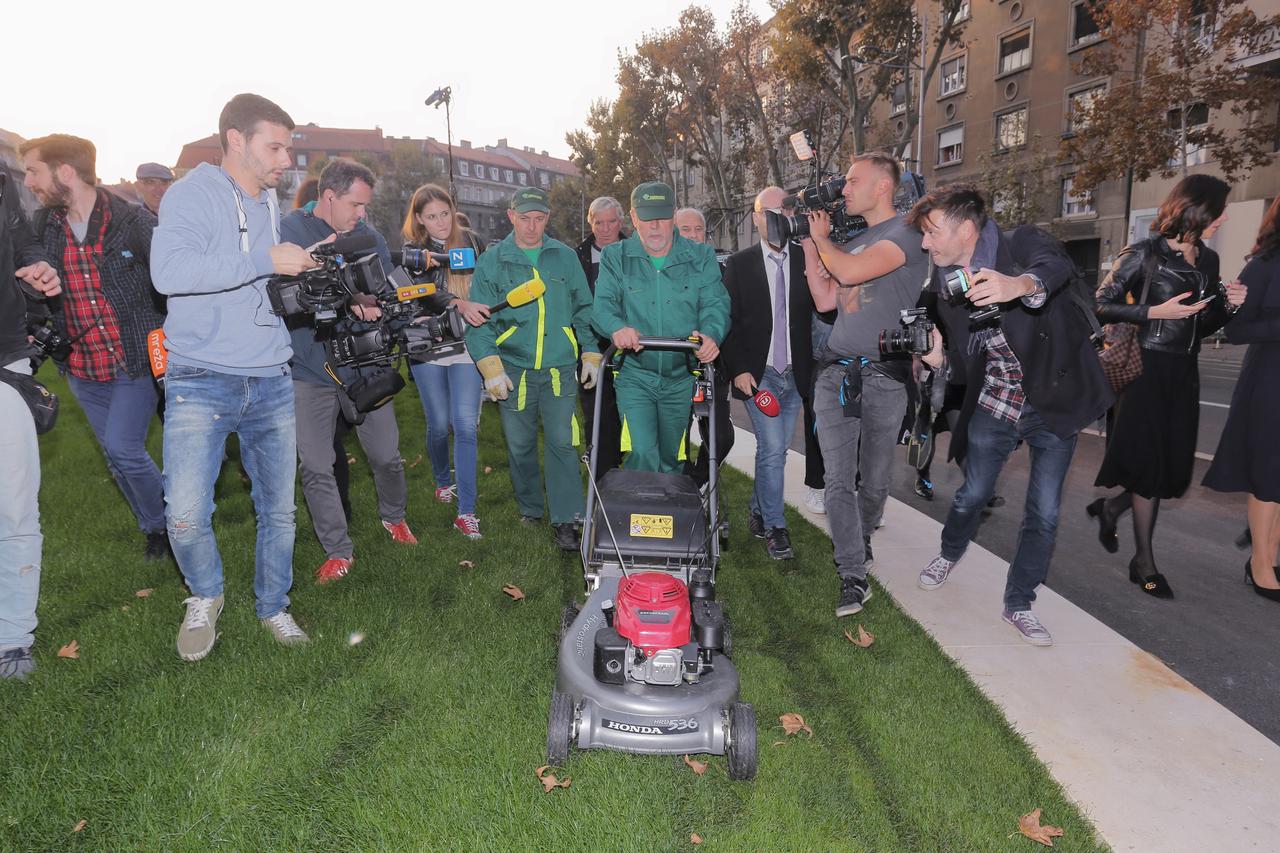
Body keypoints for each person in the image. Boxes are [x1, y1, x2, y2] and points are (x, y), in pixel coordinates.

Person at [150, 93, 318, 661]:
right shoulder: (191, 194)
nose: (285, 159)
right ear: (235, 140)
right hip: (200, 376)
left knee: (279, 509)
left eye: (288, 148)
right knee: (185, 513)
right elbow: (168, 272)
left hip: (270, 374)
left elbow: (260, 276)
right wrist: (266, 260)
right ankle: (205, 595)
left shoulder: (268, 198)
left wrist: (300, 276)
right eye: (274, 146)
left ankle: (274, 605)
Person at [911, 184, 1113, 645]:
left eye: (931, 232)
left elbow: (1055, 268)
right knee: (972, 495)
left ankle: (1019, 602)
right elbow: (968, 361)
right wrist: (941, 361)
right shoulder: (946, 289)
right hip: (996, 399)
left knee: (1043, 513)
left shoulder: (1021, 243)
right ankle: (949, 552)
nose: (925, 243)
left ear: (965, 228)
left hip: (1051, 403)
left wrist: (1017, 286)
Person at [1087, 175, 1245, 597]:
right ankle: (1143, 561)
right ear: (1194, 209)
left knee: (1170, 470)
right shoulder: (1144, 253)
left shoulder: (1207, 261)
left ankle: (1112, 507)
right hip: (1145, 369)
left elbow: (1201, 323)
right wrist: (1153, 311)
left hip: (1183, 372)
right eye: (1218, 210)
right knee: (1150, 468)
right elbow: (1097, 305)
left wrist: (1228, 306)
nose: (1222, 218)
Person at [20, 134, 169, 560]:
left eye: (34, 170)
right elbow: (36, 296)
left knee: (124, 447)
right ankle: (156, 528)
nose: (29, 181)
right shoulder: (43, 228)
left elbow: (171, 282)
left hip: (133, 362)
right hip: (81, 366)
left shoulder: (133, 222)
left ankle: (177, 521)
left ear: (64, 172)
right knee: (113, 455)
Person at [281, 158, 419, 584]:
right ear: (329, 197)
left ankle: (393, 517)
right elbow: (290, 291)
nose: (362, 214)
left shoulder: (370, 236)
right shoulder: (290, 233)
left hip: (365, 362)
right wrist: (346, 297)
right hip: (310, 368)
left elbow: (385, 289)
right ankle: (339, 551)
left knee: (386, 455)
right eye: (356, 204)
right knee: (317, 465)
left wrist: (391, 306)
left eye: (365, 206)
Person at [804, 152, 929, 616]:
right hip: (836, 371)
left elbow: (852, 273)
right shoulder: (852, 240)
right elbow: (823, 298)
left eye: (854, 180)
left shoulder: (908, 235)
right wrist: (807, 243)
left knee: (874, 481)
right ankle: (852, 575)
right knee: (838, 478)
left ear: (883, 187)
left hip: (884, 376)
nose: (844, 188)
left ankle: (862, 536)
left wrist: (822, 240)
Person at [465, 187, 597, 551]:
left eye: (539, 219)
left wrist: (589, 352)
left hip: (557, 369)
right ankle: (530, 507)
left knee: (563, 443)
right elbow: (479, 322)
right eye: (525, 219)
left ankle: (567, 518)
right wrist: (491, 367)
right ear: (511, 217)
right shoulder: (494, 261)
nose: (532, 227)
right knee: (520, 445)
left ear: (548, 218)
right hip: (515, 370)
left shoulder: (565, 258)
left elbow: (584, 310)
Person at [592, 182, 728, 474]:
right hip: (635, 376)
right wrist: (617, 328)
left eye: (662, 217)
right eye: (646, 217)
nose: (654, 226)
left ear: (674, 215)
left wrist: (711, 334)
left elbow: (715, 303)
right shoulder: (616, 257)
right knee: (641, 452)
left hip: (681, 378)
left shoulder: (699, 257)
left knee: (672, 458)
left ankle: (669, 517)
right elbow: (602, 306)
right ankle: (638, 517)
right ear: (632, 215)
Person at [722, 187, 821, 560]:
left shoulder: (805, 257)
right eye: (770, 212)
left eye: (785, 210)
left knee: (772, 451)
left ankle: (758, 510)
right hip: (759, 373)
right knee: (775, 449)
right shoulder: (740, 263)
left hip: (796, 374)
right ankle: (777, 528)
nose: (778, 218)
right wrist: (738, 370)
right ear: (756, 216)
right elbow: (728, 322)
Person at [402, 183, 491, 538]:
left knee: (466, 426)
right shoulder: (414, 252)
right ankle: (442, 479)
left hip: (467, 344)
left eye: (445, 213)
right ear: (420, 220)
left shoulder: (471, 241)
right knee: (438, 424)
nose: (440, 222)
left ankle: (466, 511)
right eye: (431, 217)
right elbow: (424, 293)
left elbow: (487, 279)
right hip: (428, 347)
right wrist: (456, 304)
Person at [1204, 196, 1280, 600]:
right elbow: (1236, 329)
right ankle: (1261, 564)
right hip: (1271, 382)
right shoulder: (1264, 264)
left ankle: (1268, 552)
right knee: (1270, 474)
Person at [0, 172, 60, 680]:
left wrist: (35, 264)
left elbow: (22, 238)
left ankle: (12, 639)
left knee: (15, 508)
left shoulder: (1, 175)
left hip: (5, 362)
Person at [672, 205, 734, 488]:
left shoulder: (721, 271)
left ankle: (697, 481)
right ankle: (678, 488)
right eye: (686, 229)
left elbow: (728, 314)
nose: (694, 235)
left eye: (699, 229)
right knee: (675, 438)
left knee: (721, 437)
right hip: (673, 367)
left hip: (712, 367)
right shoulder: (663, 272)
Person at [575, 196, 626, 476]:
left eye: (611, 222)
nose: (605, 228)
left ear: (621, 222)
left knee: (627, 413)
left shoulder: (637, 252)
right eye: (598, 222)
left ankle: (627, 468)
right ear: (590, 223)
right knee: (595, 412)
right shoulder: (577, 257)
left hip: (632, 346)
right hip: (590, 345)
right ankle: (601, 471)